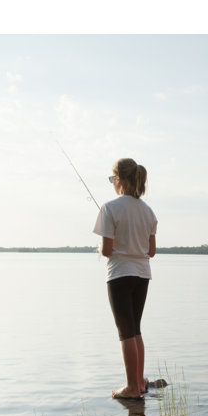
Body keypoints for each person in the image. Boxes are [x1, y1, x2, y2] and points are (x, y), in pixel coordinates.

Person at [93, 157, 157, 399]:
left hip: (120, 274)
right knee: (136, 329)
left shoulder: (110, 208)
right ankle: (139, 382)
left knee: (125, 331)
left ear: (118, 180)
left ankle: (132, 388)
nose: (112, 183)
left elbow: (107, 250)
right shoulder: (149, 211)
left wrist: (99, 250)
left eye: (112, 179)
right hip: (142, 275)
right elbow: (151, 251)